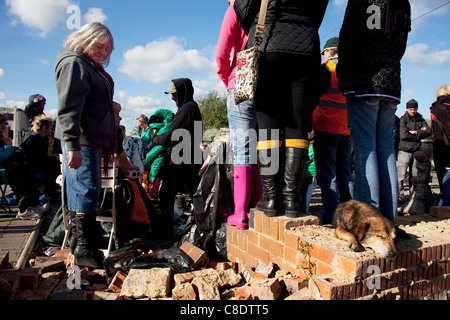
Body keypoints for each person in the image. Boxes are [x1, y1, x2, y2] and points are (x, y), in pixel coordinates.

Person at [234, 0, 328, 218]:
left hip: (269, 44)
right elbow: (319, 11)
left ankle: (272, 198)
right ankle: (292, 200)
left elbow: (244, 11)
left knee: (268, 124)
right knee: (297, 121)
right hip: (306, 48)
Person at [337, 0, 411, 222]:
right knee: (386, 151)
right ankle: (389, 219)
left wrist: (343, 73)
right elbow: (401, 47)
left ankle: (368, 220)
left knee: (365, 150)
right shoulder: (402, 4)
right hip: (391, 82)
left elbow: (349, 37)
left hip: (364, 81)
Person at [54, 22, 116, 268]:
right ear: (85, 40)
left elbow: (87, 101)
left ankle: (83, 247)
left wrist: (109, 108)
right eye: (99, 46)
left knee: (86, 189)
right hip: (82, 140)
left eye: (107, 49)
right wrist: (72, 145)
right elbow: (69, 107)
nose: (103, 52)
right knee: (85, 189)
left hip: (87, 139)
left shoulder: (87, 66)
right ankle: (83, 249)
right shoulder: (75, 64)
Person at [217, 0, 262, 230]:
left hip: (241, 79)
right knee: (264, 144)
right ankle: (260, 204)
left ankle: (241, 213)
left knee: (242, 146)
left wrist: (228, 80)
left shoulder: (235, 9)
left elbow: (221, 53)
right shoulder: (269, 8)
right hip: (266, 82)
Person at [151, 78, 202, 238]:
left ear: (182, 92)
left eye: (174, 94)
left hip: (184, 159)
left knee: (167, 195)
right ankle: (204, 228)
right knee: (195, 195)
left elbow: (173, 136)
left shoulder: (187, 109)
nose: (173, 97)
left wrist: (156, 139)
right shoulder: (190, 108)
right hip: (187, 158)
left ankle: (165, 232)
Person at [311, 37, 354, 225]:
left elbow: (313, 95)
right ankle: (351, 215)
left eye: (324, 53)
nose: (324, 57)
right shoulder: (353, 69)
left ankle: (332, 216)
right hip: (347, 129)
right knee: (345, 173)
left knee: (328, 175)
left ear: (329, 51)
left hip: (327, 126)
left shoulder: (328, 68)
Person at [0, 114, 44, 219]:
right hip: (3, 171)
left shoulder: (2, 139)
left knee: (27, 169)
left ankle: (33, 205)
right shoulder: (4, 141)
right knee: (19, 171)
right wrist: (9, 147)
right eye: (0, 123)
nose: (3, 125)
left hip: (6, 169)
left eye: (4, 123)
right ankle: (25, 209)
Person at [20, 115, 60, 199]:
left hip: (35, 166)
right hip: (30, 169)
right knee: (54, 165)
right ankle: (50, 193)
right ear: (44, 128)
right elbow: (34, 158)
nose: (51, 130)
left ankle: (51, 192)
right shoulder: (33, 140)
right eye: (50, 128)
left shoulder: (41, 139)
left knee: (54, 164)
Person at [397, 99, 431, 198]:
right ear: (407, 109)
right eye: (411, 109)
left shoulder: (421, 119)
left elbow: (428, 132)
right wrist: (420, 133)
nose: (413, 111)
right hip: (404, 150)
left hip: (416, 150)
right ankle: (400, 195)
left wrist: (415, 132)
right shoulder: (403, 119)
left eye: (414, 109)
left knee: (415, 175)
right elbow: (404, 135)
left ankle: (413, 195)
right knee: (401, 175)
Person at [429, 85, 450, 205]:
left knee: (445, 174)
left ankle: (445, 203)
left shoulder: (439, 108)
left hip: (443, 146)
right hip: (444, 144)